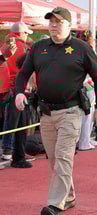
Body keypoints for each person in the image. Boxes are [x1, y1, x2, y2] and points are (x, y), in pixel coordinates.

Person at [14, 7, 97, 215]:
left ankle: (56, 203)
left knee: (63, 157)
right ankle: (69, 196)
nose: (54, 26)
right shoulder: (38, 47)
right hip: (46, 113)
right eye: (51, 22)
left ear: (69, 26)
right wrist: (20, 93)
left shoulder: (81, 48)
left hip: (71, 112)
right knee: (55, 160)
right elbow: (23, 74)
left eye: (59, 22)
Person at [1, 22, 34, 167]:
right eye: (26, 33)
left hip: (9, 88)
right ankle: (10, 150)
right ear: (21, 34)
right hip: (17, 88)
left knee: (12, 120)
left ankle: (10, 150)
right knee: (16, 122)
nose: (27, 35)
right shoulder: (21, 48)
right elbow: (25, 69)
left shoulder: (5, 46)